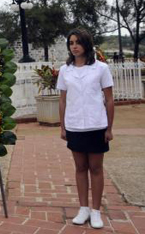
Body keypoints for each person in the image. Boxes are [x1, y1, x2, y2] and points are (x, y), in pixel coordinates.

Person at [57, 28, 114, 230]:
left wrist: (109, 128)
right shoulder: (65, 70)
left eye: (78, 42)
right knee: (80, 168)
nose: (74, 46)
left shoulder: (101, 68)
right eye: (71, 42)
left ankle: (96, 211)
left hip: (96, 125)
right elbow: (62, 101)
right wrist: (63, 126)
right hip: (74, 126)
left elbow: (108, 100)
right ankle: (83, 209)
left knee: (96, 169)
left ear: (86, 45)